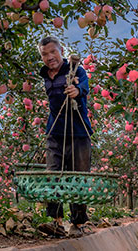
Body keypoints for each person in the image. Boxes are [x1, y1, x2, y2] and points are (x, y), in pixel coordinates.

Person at [36, 36, 93, 238]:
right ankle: (56, 222)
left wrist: (77, 90)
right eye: (45, 54)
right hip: (55, 133)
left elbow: (85, 85)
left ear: (61, 51)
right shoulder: (45, 75)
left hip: (78, 133)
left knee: (78, 176)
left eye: (53, 52)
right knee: (53, 175)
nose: (50, 57)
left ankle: (77, 223)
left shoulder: (75, 70)